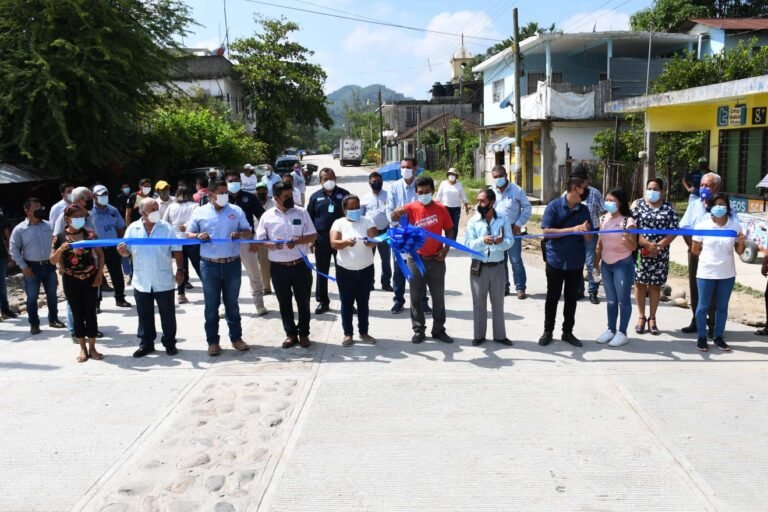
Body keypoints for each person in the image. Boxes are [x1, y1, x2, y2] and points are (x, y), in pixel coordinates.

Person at [186, 180, 252, 356]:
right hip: (209, 265)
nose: (224, 196)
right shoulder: (199, 212)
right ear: (210, 194)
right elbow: (189, 234)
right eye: (221, 193)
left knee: (232, 304)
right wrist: (198, 235)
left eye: (226, 193)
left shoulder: (236, 211)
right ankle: (213, 342)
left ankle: (236, 338)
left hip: (232, 263)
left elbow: (248, 231)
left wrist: (240, 234)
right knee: (211, 305)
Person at [391, 176, 454, 344]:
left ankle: (439, 329)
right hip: (415, 259)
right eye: (420, 192)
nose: (424, 194)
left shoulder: (441, 208)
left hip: (436, 260)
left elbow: (449, 231)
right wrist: (395, 213)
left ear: (433, 191)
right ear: (416, 192)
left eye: (427, 192)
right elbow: (394, 218)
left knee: (438, 297)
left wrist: (445, 250)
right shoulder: (410, 208)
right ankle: (418, 329)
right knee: (415, 297)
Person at [118, 198, 184, 358]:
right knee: (144, 315)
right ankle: (146, 344)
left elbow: (177, 250)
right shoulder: (133, 228)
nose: (156, 211)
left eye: (157, 208)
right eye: (152, 209)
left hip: (163, 278)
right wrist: (122, 252)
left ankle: (169, 343)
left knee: (167, 315)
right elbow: (127, 251)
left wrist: (180, 270)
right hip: (142, 280)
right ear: (142, 212)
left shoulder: (166, 228)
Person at [256, 181, 317, 348]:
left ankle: (304, 334)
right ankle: (290, 334)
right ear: (275, 198)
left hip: (300, 266)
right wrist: (272, 244)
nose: (290, 198)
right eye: (286, 197)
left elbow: (313, 235)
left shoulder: (302, 212)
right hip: (278, 267)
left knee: (303, 301)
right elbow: (260, 240)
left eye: (291, 195)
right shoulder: (267, 216)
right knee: (284, 302)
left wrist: (299, 240)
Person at [539, 176, 595, 348]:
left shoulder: (584, 210)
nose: (587, 191)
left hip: (575, 261)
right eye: (584, 187)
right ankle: (548, 331)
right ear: (574, 188)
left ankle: (568, 332)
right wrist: (572, 229)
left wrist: (586, 232)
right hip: (555, 259)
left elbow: (589, 237)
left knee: (571, 298)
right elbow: (547, 232)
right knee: (553, 297)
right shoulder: (554, 206)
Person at [691, 193, 745, 352]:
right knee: (703, 306)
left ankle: (718, 336)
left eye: (722, 204)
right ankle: (701, 337)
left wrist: (741, 242)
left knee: (722, 307)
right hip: (706, 272)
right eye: (716, 204)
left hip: (727, 273)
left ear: (727, 208)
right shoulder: (702, 225)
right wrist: (707, 256)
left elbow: (740, 251)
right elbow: (695, 250)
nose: (719, 208)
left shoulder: (735, 226)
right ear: (710, 207)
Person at [50, 204, 104, 362]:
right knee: (77, 313)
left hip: (90, 278)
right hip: (71, 280)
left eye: (82, 217)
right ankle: (82, 347)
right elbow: (52, 260)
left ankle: (93, 347)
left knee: (91, 312)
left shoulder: (90, 235)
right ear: (67, 219)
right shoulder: (59, 237)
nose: (80, 220)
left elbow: (100, 255)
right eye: (77, 217)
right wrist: (60, 249)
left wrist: (99, 274)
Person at [464, 188, 514, 346]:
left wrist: (501, 243)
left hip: (498, 267)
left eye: (482, 201)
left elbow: (510, 241)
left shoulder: (503, 219)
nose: (479, 204)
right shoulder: (473, 221)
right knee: (479, 303)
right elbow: (467, 245)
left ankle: (500, 336)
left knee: (498, 302)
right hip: (478, 267)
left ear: (492, 202)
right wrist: (481, 241)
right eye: (478, 200)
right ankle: (479, 335)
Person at [10, 198, 66, 334]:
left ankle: (54, 319)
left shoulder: (49, 225)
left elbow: (58, 245)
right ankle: (34, 324)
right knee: (32, 297)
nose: (40, 210)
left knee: (52, 295)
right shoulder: (20, 229)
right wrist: (23, 266)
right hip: (31, 268)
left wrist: (60, 263)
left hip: (49, 265)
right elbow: (14, 249)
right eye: (36, 208)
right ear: (27, 211)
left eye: (41, 207)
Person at [631, 179, 678, 335]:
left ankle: (652, 318)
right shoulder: (638, 206)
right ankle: (641, 316)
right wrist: (645, 244)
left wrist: (659, 246)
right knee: (640, 283)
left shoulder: (668, 208)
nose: (651, 191)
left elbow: (673, 230)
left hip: (660, 253)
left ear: (662, 191)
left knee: (655, 285)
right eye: (649, 188)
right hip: (642, 252)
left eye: (655, 189)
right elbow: (631, 227)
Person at [330, 194, 378, 346]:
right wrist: (345, 242)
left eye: (357, 207)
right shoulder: (339, 223)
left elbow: (374, 241)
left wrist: (368, 242)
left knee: (363, 302)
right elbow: (334, 243)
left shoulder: (367, 221)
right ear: (344, 210)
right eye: (351, 208)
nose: (355, 210)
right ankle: (347, 334)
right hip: (345, 270)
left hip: (365, 269)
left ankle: (364, 332)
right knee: (346, 302)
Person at [385, 157, 430, 315]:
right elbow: (389, 212)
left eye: (408, 167)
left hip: (417, 234)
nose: (405, 170)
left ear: (415, 168)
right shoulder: (394, 187)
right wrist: (396, 217)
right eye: (403, 167)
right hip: (399, 235)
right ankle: (398, 300)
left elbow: (426, 209)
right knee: (399, 269)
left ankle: (423, 301)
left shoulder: (421, 187)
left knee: (419, 267)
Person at [594, 188, 638, 347]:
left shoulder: (628, 222)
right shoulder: (603, 218)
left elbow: (634, 247)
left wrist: (627, 239)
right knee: (611, 300)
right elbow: (600, 243)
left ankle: (622, 332)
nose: (608, 203)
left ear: (620, 202)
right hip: (606, 264)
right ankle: (610, 329)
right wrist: (595, 265)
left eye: (612, 200)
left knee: (623, 300)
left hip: (623, 264)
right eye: (607, 200)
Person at [679, 172, 721, 334]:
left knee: (714, 289)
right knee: (695, 287)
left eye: (707, 185)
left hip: (716, 254)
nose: (703, 188)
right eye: (702, 185)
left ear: (716, 187)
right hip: (695, 252)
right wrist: (693, 247)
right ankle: (697, 320)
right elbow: (684, 227)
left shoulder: (720, 207)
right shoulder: (694, 204)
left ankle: (713, 323)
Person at [224, 170, 267, 316]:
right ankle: (227, 305)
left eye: (236, 180)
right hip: (226, 242)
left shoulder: (250, 198)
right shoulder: (222, 199)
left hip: (247, 240)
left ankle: (259, 303)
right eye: (230, 181)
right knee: (227, 276)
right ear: (225, 182)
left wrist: (257, 240)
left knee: (254, 273)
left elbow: (262, 218)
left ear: (241, 182)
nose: (233, 183)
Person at [307, 168, 350, 314]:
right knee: (322, 271)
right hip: (321, 239)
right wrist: (311, 240)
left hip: (341, 238)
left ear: (335, 178)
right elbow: (309, 220)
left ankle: (348, 301)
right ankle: (323, 302)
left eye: (331, 177)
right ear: (320, 181)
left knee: (344, 271)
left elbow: (352, 216)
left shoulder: (344, 195)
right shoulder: (315, 197)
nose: (328, 180)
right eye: (325, 178)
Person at [491, 165, 532, 299]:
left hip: (514, 231)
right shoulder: (491, 191)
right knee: (501, 261)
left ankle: (520, 287)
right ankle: (504, 286)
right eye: (495, 177)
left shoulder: (517, 190)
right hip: (498, 232)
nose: (498, 179)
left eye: (500, 176)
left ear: (506, 175)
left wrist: (519, 224)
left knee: (515, 260)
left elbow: (527, 208)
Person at [567, 164, 604, 304]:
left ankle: (593, 291)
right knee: (576, 262)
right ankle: (579, 289)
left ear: (586, 181)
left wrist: (603, 232)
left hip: (591, 233)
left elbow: (603, 212)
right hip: (574, 234)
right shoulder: (567, 194)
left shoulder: (594, 193)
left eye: (580, 179)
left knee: (591, 263)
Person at [91, 185, 131, 309]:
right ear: (94, 197)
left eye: (106, 194)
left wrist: (121, 243)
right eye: (101, 195)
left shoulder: (113, 210)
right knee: (96, 274)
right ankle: (96, 303)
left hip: (113, 247)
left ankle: (120, 298)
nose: (104, 197)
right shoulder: (89, 212)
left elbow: (120, 227)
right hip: (97, 248)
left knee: (117, 273)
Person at [163, 185, 200, 304]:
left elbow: (164, 222)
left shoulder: (171, 206)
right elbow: (198, 220)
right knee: (199, 266)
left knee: (180, 268)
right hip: (192, 240)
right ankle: (210, 291)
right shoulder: (195, 206)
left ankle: (181, 293)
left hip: (176, 241)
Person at [360, 171, 392, 291]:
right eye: (374, 181)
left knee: (386, 259)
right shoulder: (365, 198)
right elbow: (361, 216)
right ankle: (369, 283)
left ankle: (386, 283)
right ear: (369, 183)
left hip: (385, 232)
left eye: (379, 181)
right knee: (369, 259)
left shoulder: (388, 196)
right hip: (370, 233)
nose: (377, 183)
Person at [435, 168, 469, 240]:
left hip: (456, 208)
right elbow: (439, 196)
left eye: (453, 174)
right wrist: (436, 206)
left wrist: (466, 206)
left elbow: (463, 196)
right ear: (448, 175)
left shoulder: (459, 185)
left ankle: (453, 241)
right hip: (445, 208)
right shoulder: (443, 183)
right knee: (447, 226)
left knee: (455, 226)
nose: (451, 176)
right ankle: (448, 241)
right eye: (450, 174)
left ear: (456, 176)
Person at [255, 182, 275, 294]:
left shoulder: (273, 203)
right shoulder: (253, 202)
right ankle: (266, 287)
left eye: (263, 190)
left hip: (272, 236)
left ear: (267, 191)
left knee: (275, 263)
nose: (261, 192)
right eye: (259, 190)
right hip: (257, 238)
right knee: (262, 263)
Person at [115, 183, 134, 281]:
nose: (126, 189)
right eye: (124, 187)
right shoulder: (119, 198)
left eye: (127, 187)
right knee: (127, 252)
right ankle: (130, 275)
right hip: (124, 226)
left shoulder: (132, 197)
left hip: (132, 226)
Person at [0, 208, 16, 319]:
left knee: (1, 283)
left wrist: (10, 254)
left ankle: (5, 309)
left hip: (1, 255)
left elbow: (7, 237)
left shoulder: (1, 217)